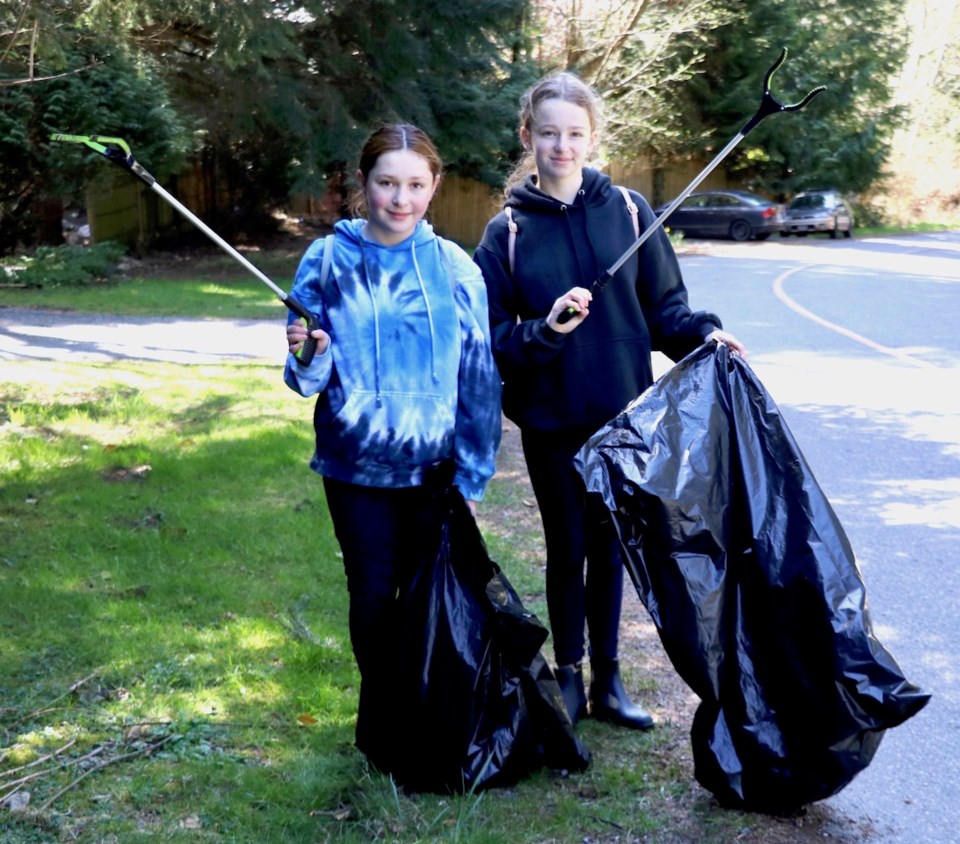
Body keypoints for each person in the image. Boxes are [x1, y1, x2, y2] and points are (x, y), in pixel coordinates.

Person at [473, 72, 746, 731]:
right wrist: (550, 328)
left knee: (611, 550)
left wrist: (706, 335)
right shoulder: (506, 233)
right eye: (548, 134)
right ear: (527, 137)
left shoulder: (627, 212)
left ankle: (609, 683)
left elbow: (666, 310)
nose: (561, 147)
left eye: (574, 134)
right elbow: (495, 342)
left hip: (622, 419)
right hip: (552, 423)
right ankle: (568, 678)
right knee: (567, 549)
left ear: (592, 137)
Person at [284, 123, 502, 769]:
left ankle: (430, 712)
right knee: (373, 597)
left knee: (429, 597)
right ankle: (383, 730)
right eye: (386, 183)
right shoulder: (325, 261)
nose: (399, 199)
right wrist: (308, 351)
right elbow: (304, 377)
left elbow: (478, 377)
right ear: (364, 184)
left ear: (434, 185)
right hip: (355, 468)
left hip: (433, 472)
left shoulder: (455, 269)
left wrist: (473, 469)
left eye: (413, 184)